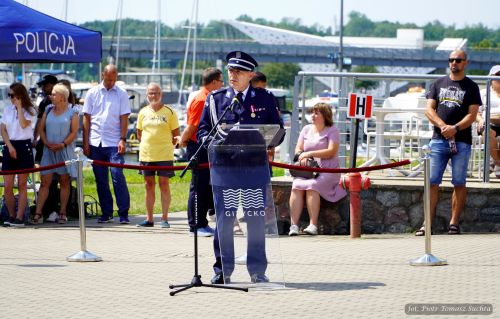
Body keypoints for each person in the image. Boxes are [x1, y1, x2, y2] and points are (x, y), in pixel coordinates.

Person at [197, 51, 283, 284]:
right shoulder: (216, 100)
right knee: (225, 221)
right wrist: (211, 141)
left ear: (250, 75)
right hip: (225, 170)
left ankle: (257, 270)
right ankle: (222, 270)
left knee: (255, 220)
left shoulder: (264, 98)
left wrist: (270, 139)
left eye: (239, 71)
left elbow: (277, 130)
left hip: (254, 170)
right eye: (231, 70)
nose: (233, 75)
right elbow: (203, 131)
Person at [418, 49, 481, 236]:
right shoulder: (437, 83)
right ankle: (427, 223)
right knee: (431, 181)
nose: (454, 63)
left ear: (465, 63)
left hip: (462, 141)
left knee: (459, 182)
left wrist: (455, 128)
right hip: (438, 140)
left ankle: (454, 223)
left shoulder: (471, 87)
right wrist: (443, 126)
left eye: (458, 60)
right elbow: (429, 110)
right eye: (451, 60)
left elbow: (472, 115)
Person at [288, 103, 347, 236]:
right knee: (296, 184)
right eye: (312, 113)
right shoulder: (306, 129)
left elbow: (331, 151)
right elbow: (298, 148)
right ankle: (294, 225)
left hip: (328, 171)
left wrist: (310, 154)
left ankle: (313, 225)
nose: (312, 116)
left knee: (312, 186)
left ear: (325, 116)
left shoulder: (332, 130)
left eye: (316, 113)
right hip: (309, 170)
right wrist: (300, 155)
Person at [82, 64, 131, 224]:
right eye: (108, 78)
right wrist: (86, 142)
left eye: (113, 79)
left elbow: (124, 117)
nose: (110, 82)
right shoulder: (92, 93)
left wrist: (123, 139)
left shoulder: (122, 94)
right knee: (101, 179)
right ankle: (106, 212)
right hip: (96, 142)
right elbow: (86, 118)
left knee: (118, 176)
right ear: (103, 74)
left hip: (114, 142)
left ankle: (123, 212)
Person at [179, 67, 223, 236]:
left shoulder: (209, 98)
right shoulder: (201, 99)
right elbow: (193, 126)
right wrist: (182, 141)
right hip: (198, 147)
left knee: (205, 187)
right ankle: (195, 225)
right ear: (213, 82)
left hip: (207, 147)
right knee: (197, 187)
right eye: (220, 81)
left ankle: (202, 223)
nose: (222, 85)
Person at [135, 83, 180, 228]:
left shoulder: (170, 112)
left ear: (161, 94)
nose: (154, 96)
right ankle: (149, 219)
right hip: (147, 154)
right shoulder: (142, 112)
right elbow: (139, 134)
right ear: (147, 95)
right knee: (148, 185)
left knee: (164, 185)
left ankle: (165, 218)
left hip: (165, 155)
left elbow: (176, 135)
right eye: (151, 93)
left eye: (156, 93)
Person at [33, 84, 78, 224]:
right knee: (45, 182)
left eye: (53, 94)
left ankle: (63, 212)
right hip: (49, 151)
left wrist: (63, 144)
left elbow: (74, 132)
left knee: (64, 182)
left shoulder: (73, 112)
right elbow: (42, 129)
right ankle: (38, 213)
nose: (50, 96)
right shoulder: (48, 109)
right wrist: (46, 142)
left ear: (62, 97)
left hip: (65, 151)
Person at [1, 83, 36, 227]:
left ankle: (20, 217)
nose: (11, 98)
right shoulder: (7, 110)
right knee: (8, 185)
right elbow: (2, 129)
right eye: (9, 95)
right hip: (10, 146)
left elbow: (23, 125)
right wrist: (9, 147)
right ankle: (11, 215)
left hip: (24, 146)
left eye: (12, 95)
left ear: (20, 95)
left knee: (22, 184)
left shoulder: (31, 110)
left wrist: (20, 107)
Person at [476, 65, 500, 178]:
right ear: (491, 78)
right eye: (497, 75)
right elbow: (475, 112)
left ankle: (493, 162)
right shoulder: (483, 92)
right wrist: (480, 120)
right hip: (488, 123)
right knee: (488, 134)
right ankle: (498, 163)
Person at [34, 75, 58, 164]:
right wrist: (35, 138)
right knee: (39, 166)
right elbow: (39, 120)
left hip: (61, 141)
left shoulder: (66, 100)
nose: (43, 88)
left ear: (54, 85)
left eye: (46, 85)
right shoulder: (43, 102)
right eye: (42, 86)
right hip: (45, 140)